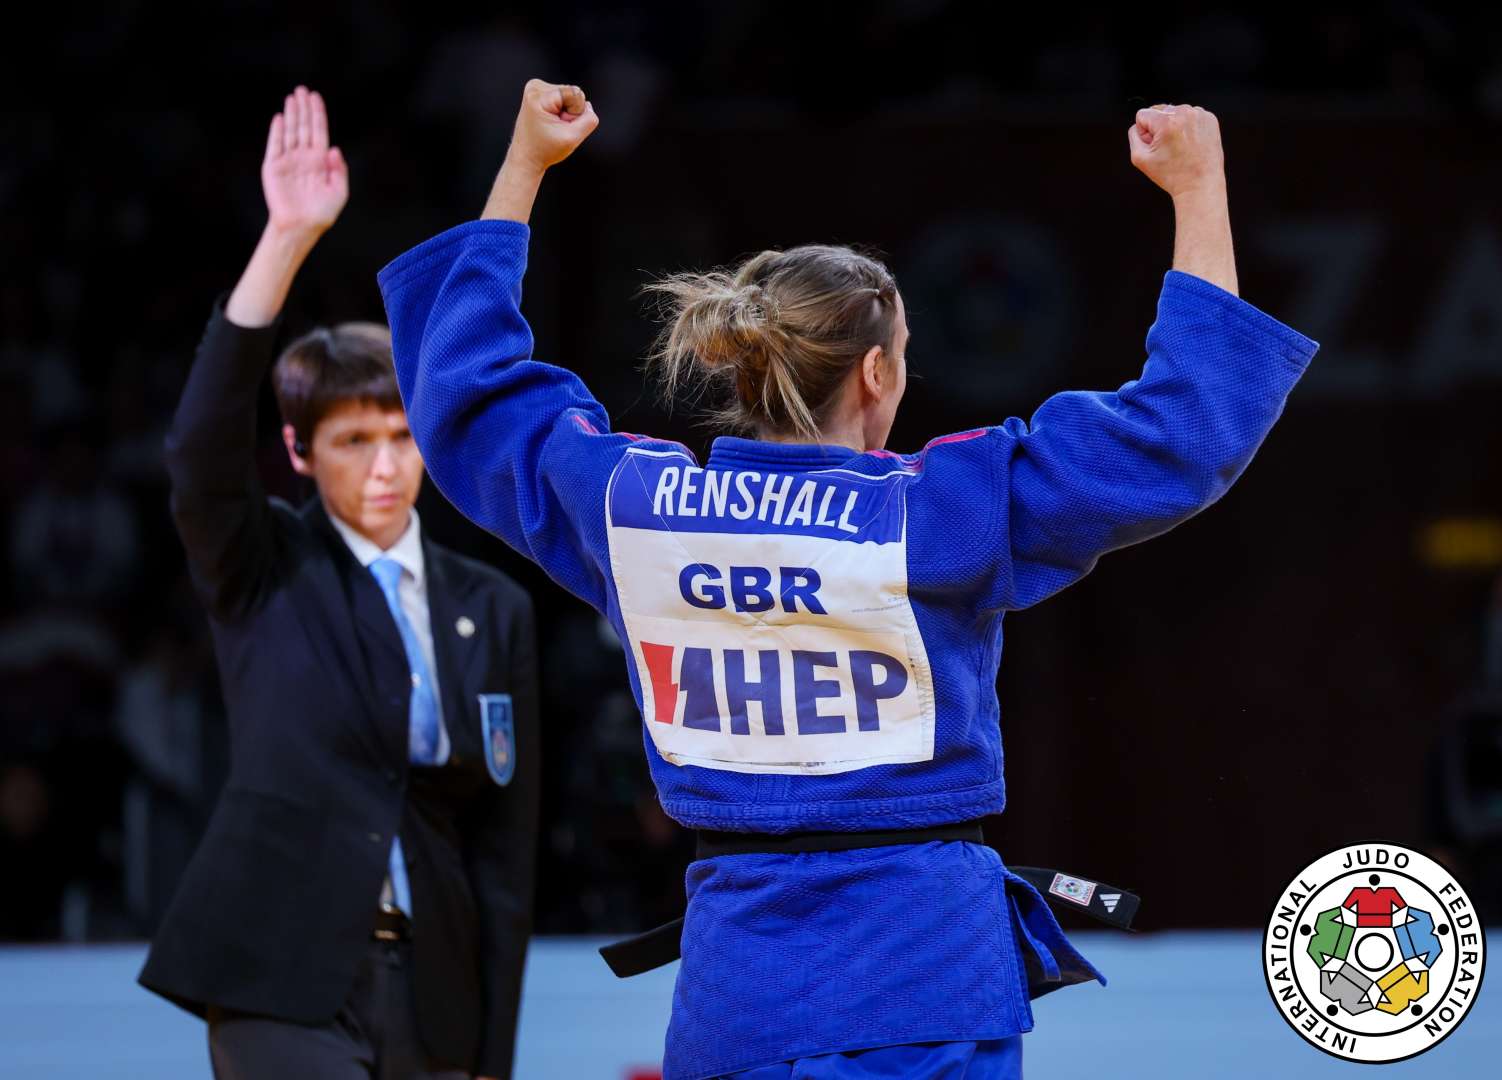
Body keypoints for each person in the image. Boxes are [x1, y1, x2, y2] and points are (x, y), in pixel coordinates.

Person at [377, 81, 1318, 1079]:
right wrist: (1197, 186)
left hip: (737, 998)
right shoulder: (939, 512)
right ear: (875, 373)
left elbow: (468, 402)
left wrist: (523, 165)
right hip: (924, 984)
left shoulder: (638, 511)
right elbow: (1179, 429)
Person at [138, 86, 540, 1080]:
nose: (385, 465)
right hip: (279, 980)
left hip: (436, 995)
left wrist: (491, 1056)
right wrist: (285, 240)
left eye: (402, 435)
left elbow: (503, 854)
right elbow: (198, 452)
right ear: (298, 452)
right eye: (354, 439)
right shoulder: (265, 565)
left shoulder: (490, 606)